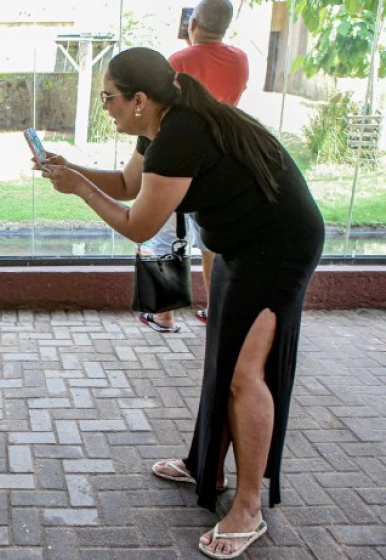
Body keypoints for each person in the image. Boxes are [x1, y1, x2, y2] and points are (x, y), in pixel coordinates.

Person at [39, 47, 324, 559]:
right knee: (223, 359)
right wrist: (71, 168)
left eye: (108, 97)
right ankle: (204, 465)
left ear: (139, 100)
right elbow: (129, 185)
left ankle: (249, 507)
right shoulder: (161, 126)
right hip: (240, 243)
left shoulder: (181, 134)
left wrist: (79, 188)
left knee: (245, 374)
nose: (106, 107)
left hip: (278, 246)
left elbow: (138, 224)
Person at [140, 0, 249, 333]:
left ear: (192, 23)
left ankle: (164, 315)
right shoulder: (240, 60)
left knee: (167, 232)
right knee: (210, 240)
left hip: (180, 157)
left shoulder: (178, 61)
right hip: (219, 160)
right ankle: (215, 310)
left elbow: (164, 110)